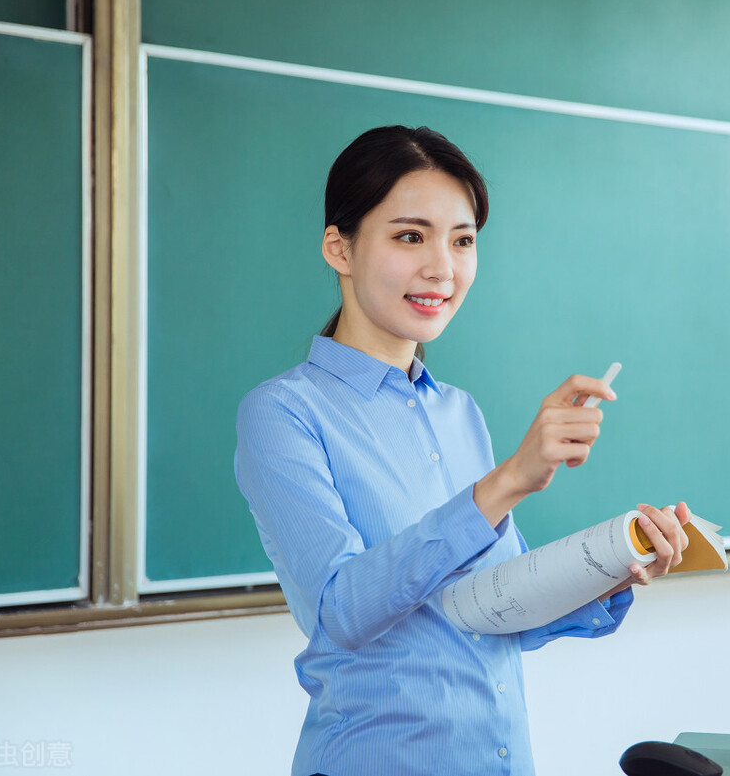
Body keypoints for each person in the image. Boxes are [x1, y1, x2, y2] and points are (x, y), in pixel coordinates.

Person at [234, 125, 691, 776]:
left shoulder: (458, 411)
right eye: (409, 235)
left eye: (463, 240)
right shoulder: (283, 413)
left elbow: (500, 609)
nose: (442, 268)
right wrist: (507, 481)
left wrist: (619, 560)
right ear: (340, 247)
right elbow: (341, 610)